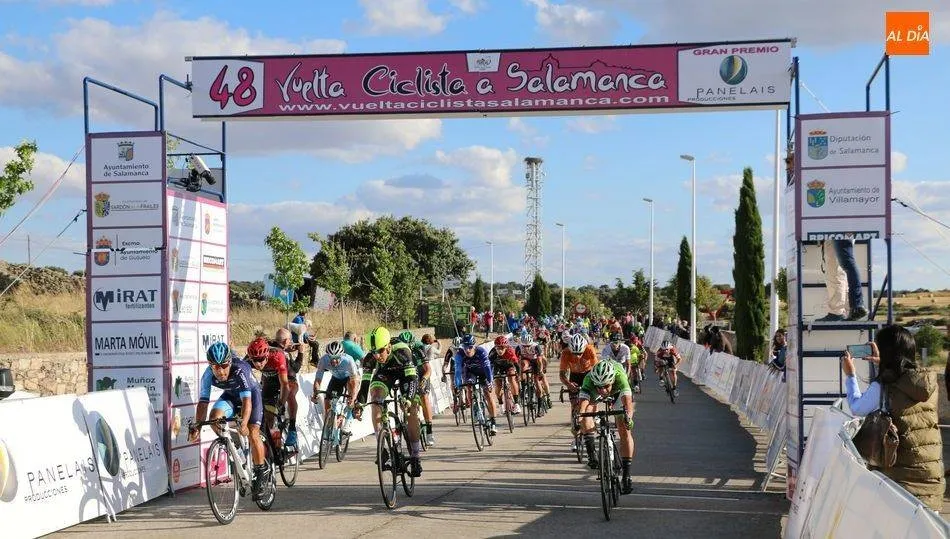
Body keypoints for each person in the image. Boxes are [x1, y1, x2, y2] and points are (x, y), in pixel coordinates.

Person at [841, 325, 944, 510]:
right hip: (931, 478)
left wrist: (850, 376)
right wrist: (882, 363)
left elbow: (857, 407)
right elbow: (904, 381)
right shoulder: (928, 384)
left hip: (900, 479)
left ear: (886, 352)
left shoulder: (883, 386)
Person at [190, 342, 269, 500]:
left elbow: (247, 402)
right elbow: (203, 403)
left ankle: (261, 472)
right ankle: (237, 451)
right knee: (214, 418)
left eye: (224, 366)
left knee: (252, 433)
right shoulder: (207, 375)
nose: (220, 371)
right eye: (215, 367)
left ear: (230, 362)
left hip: (251, 397)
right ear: (210, 366)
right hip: (231, 397)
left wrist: (244, 423)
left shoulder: (240, 369)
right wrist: (197, 426)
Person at [355, 326, 424, 477]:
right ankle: (382, 449)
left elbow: (412, 379)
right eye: (374, 352)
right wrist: (359, 404)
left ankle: (415, 456)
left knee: (412, 410)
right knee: (375, 399)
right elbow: (365, 385)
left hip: (406, 374)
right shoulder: (370, 359)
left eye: (380, 351)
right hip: (385, 374)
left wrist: (408, 399)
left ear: (388, 346)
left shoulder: (402, 351)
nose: (377, 356)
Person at [576, 360, 636, 494]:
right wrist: (580, 416)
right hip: (593, 391)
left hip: (617, 392)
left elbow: (628, 404)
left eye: (606, 386)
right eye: (599, 387)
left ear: (612, 380)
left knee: (625, 429)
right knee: (585, 414)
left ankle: (626, 475)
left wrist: (628, 418)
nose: (603, 390)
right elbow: (583, 404)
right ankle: (591, 452)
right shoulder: (589, 380)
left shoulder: (620, 377)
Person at [245, 337, 290, 446]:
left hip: (285, 374)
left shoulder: (276, 356)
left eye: (261, 359)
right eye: (255, 360)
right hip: (269, 379)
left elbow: (285, 384)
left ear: (266, 355)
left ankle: (291, 429)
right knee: (266, 413)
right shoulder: (248, 360)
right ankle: (270, 443)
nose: (258, 364)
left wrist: (281, 404)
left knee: (287, 395)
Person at [559, 333, 599, 451]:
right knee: (574, 406)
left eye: (580, 353)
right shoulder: (565, 353)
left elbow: (597, 369)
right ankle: (576, 437)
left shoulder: (590, 349)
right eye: (574, 353)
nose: (577, 357)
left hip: (588, 374)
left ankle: (594, 415)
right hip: (574, 376)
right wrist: (568, 384)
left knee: (590, 403)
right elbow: (562, 374)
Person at [310, 341, 359, 434]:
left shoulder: (348, 360)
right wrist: (315, 394)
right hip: (336, 378)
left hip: (350, 378)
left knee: (351, 395)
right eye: (331, 358)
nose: (334, 361)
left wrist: (353, 396)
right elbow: (318, 379)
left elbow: (355, 381)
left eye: (336, 358)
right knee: (327, 401)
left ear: (341, 355)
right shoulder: (323, 360)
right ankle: (329, 428)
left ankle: (348, 420)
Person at [454, 333, 498, 435]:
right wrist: (458, 385)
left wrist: (490, 382)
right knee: (468, 386)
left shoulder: (481, 352)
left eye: (470, 347)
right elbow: (458, 371)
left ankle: (493, 422)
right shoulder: (459, 355)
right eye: (465, 347)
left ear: (474, 346)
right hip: (470, 372)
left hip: (484, 372)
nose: (467, 350)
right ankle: (474, 407)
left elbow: (487, 368)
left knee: (488, 394)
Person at [817, 239, 868, 322]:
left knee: (835, 272)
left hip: (835, 233)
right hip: (837, 234)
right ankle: (849, 308)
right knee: (841, 271)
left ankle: (839, 312)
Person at [270, 327, 303, 446]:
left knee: (288, 392)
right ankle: (291, 428)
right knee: (289, 393)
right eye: (290, 340)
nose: (291, 342)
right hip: (285, 380)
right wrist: (301, 353)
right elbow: (296, 368)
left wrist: (288, 349)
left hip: (277, 381)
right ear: (284, 341)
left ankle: (291, 428)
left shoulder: (273, 345)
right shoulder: (283, 353)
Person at [516, 333, 551, 411]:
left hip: (536, 361)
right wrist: (518, 374)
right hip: (526, 361)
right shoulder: (519, 348)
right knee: (522, 365)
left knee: (539, 379)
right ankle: (524, 386)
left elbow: (540, 361)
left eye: (528, 346)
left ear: (531, 344)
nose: (526, 348)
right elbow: (517, 361)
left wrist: (541, 370)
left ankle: (547, 397)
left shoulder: (536, 347)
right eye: (524, 346)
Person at [489, 335, 521, 415]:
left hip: (509, 366)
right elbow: (489, 367)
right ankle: (501, 404)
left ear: (506, 347)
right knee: (497, 384)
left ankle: (516, 404)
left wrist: (519, 375)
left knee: (512, 379)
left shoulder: (510, 351)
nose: (500, 350)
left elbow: (517, 365)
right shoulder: (492, 353)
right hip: (498, 367)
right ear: (495, 347)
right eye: (498, 348)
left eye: (502, 348)